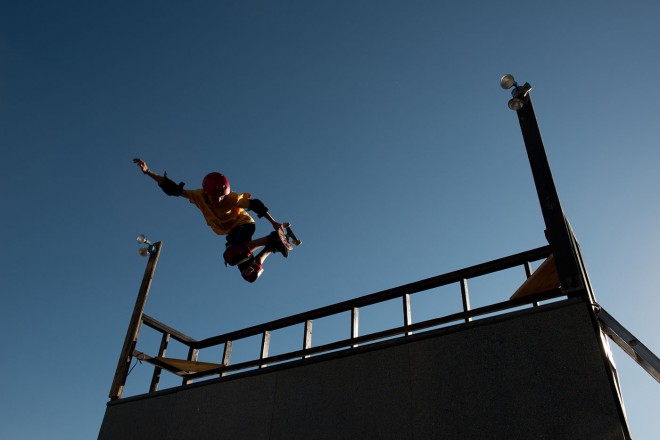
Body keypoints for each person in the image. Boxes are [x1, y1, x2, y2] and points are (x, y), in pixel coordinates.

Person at [133, 158, 289, 283]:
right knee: (250, 275)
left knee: (232, 254)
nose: (219, 200)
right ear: (206, 193)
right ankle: (271, 246)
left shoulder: (232, 199)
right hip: (231, 232)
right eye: (215, 197)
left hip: (244, 224)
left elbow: (256, 205)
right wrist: (148, 172)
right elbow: (173, 189)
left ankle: (272, 238)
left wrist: (274, 223)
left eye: (222, 197)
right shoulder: (197, 195)